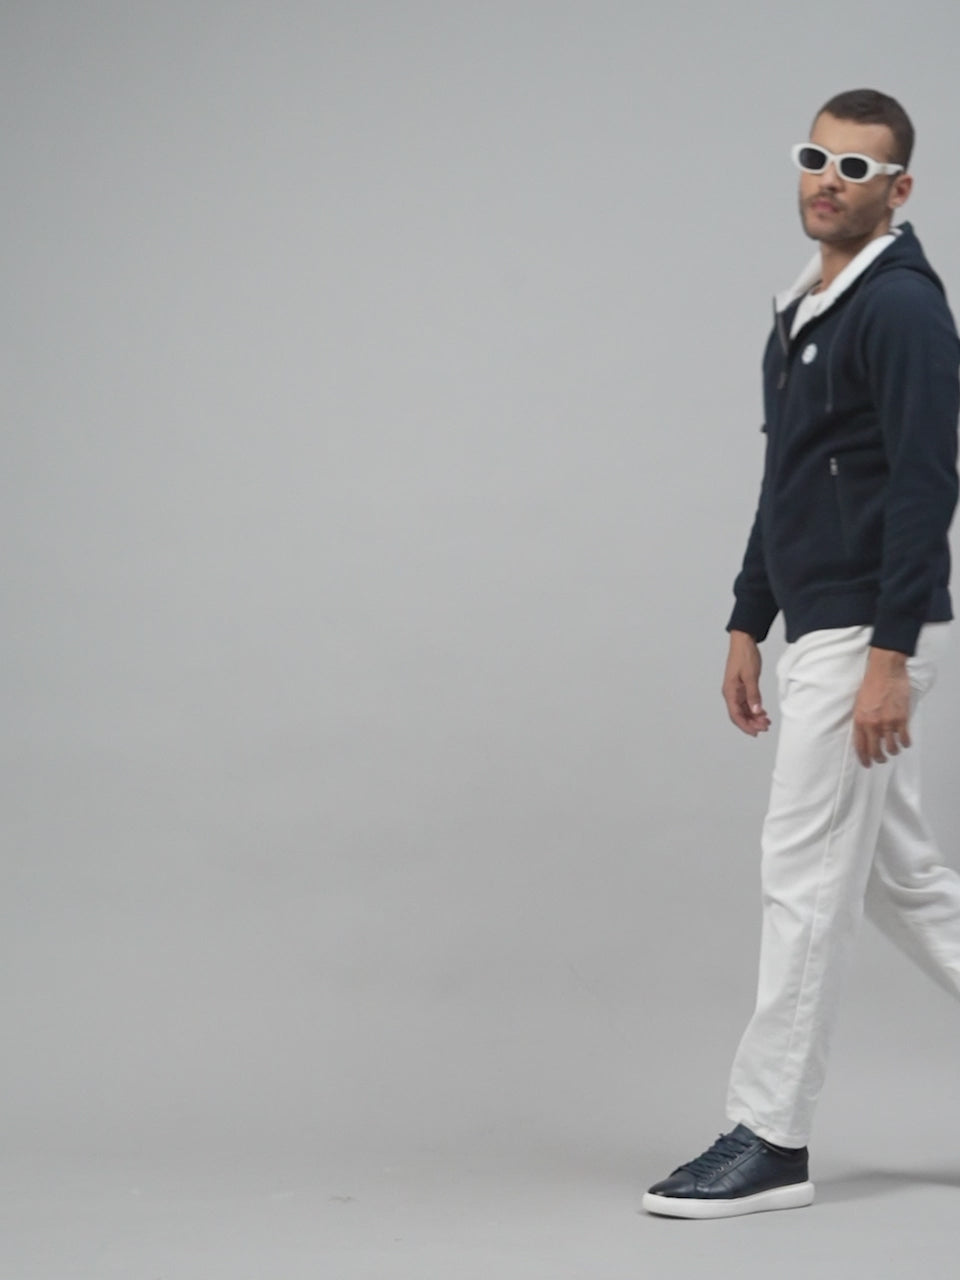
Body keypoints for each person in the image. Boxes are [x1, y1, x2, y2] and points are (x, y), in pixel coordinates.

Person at [643, 89, 960, 1220]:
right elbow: (789, 477)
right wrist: (748, 615)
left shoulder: (901, 308)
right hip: (820, 621)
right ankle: (771, 1131)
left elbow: (928, 481)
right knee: (907, 885)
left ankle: (771, 1134)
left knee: (805, 879)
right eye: (817, 157)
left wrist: (890, 656)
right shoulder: (808, 306)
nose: (830, 179)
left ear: (898, 188)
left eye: (857, 167)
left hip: (865, 629)